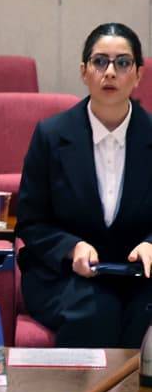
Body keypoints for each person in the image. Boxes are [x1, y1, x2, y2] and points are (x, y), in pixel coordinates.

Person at [17, 22, 152, 347]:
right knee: (96, 311)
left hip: (140, 276)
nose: (110, 72)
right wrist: (71, 247)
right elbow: (31, 222)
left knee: (144, 313)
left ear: (138, 75)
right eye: (100, 61)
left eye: (123, 63)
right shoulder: (51, 135)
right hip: (65, 276)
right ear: (83, 71)